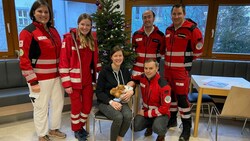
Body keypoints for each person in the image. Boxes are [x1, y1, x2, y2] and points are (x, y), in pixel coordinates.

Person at [18, 0, 66, 141]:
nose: (43, 14)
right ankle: (42, 135)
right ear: (33, 13)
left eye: (46, 12)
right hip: (39, 79)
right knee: (41, 107)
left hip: (57, 77)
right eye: (40, 11)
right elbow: (23, 59)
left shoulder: (53, 30)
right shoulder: (27, 32)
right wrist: (33, 82)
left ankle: (54, 129)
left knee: (58, 104)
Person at [164, 4, 204, 141]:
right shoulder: (168, 29)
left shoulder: (192, 30)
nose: (176, 16)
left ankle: (187, 128)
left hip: (181, 72)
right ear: (171, 15)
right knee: (171, 98)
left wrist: (184, 63)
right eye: (174, 14)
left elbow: (198, 51)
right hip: (168, 71)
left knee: (182, 100)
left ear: (184, 14)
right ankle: (172, 120)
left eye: (179, 14)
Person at [59, 13, 99, 141]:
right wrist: (67, 84)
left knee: (87, 106)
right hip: (73, 81)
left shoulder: (92, 40)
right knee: (76, 107)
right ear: (78, 24)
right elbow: (63, 63)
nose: (85, 27)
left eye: (88, 25)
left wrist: (98, 76)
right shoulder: (69, 39)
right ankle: (76, 129)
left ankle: (80, 126)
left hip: (87, 80)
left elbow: (95, 60)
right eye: (82, 24)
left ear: (91, 26)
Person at [95, 45, 134, 141]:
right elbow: (99, 92)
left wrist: (131, 91)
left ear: (123, 57)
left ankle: (119, 138)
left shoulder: (125, 71)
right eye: (115, 56)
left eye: (120, 55)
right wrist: (111, 102)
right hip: (105, 102)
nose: (118, 58)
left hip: (120, 101)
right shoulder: (104, 72)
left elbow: (131, 84)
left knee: (128, 116)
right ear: (111, 57)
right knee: (118, 117)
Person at [129, 59, 171, 141]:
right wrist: (132, 82)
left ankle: (161, 135)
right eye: (146, 68)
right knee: (134, 126)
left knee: (158, 127)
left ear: (157, 68)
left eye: (151, 68)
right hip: (146, 110)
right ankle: (150, 126)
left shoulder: (163, 85)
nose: (148, 71)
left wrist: (146, 114)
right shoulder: (142, 77)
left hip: (161, 113)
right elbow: (133, 78)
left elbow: (164, 109)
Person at [132, 10, 165, 75]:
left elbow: (162, 53)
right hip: (137, 70)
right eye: (145, 17)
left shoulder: (160, 36)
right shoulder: (136, 35)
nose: (147, 19)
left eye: (149, 17)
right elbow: (133, 52)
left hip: (153, 71)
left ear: (154, 18)